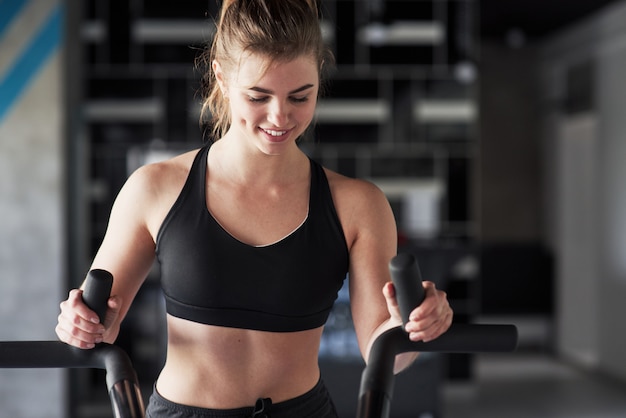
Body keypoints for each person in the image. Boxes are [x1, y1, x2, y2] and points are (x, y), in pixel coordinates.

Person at [55, 1, 453, 417]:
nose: (279, 116)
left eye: (301, 96)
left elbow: (385, 350)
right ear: (222, 78)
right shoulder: (155, 189)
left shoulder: (358, 205)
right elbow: (99, 326)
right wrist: (80, 325)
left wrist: (412, 327)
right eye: (258, 96)